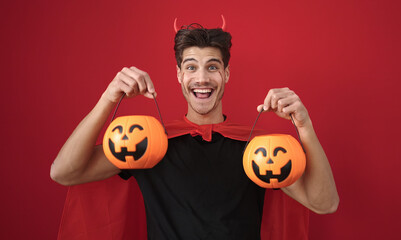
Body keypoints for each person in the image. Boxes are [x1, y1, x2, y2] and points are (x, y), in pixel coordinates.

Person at [51, 23, 339, 239]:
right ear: (179, 75)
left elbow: (324, 204)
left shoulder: (259, 150)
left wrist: (304, 126)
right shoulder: (148, 143)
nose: (202, 78)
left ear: (226, 74)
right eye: (191, 67)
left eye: (212, 67)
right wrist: (108, 98)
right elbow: (64, 172)